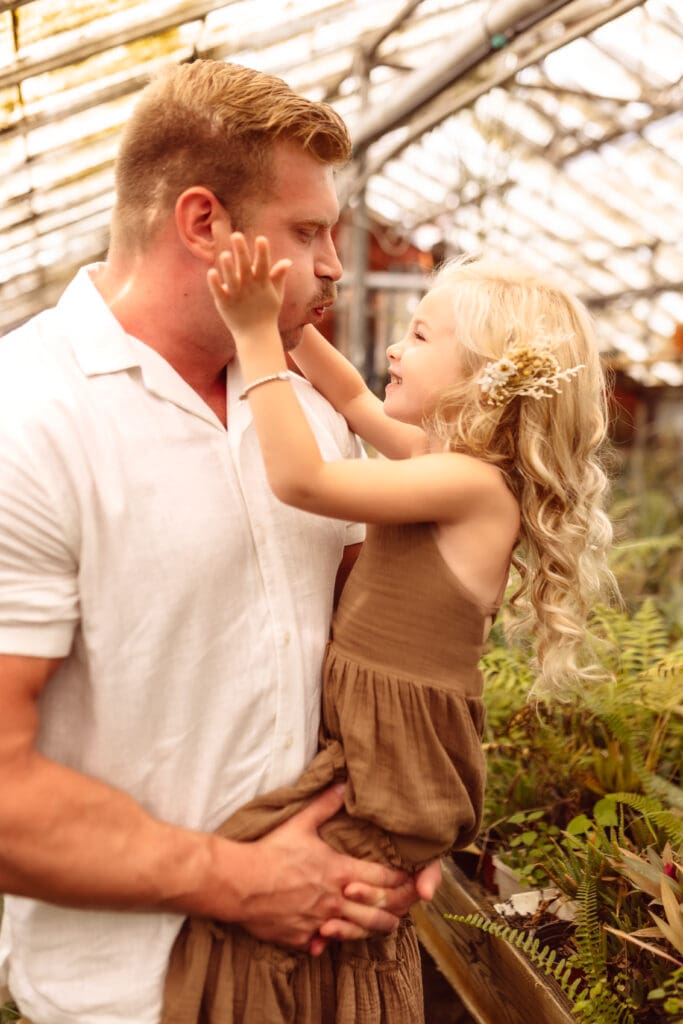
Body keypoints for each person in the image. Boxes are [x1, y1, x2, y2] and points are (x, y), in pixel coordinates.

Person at [0, 60, 440, 1024]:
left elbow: (365, 664)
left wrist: (409, 824)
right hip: (130, 997)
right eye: (307, 231)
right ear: (205, 225)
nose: (334, 264)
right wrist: (239, 880)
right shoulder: (27, 419)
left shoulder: (305, 414)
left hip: (332, 971)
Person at [164, 232, 618, 1023]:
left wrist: (252, 339)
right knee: (304, 905)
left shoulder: (469, 484)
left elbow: (302, 479)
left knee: (300, 909)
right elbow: (351, 400)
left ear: (481, 378)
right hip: (375, 735)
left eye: (418, 335)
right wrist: (290, 324)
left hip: (399, 753)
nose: (395, 349)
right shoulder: (436, 460)